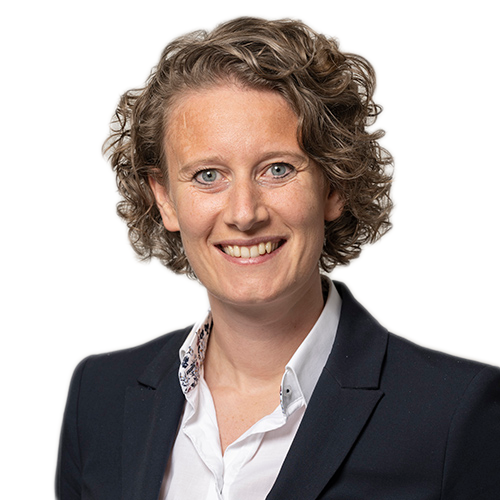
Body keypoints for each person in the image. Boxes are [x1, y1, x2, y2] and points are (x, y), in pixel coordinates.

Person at [56, 17, 500, 500]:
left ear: (334, 185)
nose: (244, 213)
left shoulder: (455, 416)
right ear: (164, 199)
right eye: (208, 175)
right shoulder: (97, 398)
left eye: (278, 169)